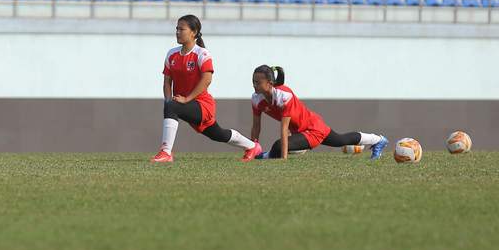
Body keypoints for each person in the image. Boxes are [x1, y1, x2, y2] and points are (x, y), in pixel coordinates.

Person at [152, 14, 262, 163]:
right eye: (176, 28)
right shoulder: (172, 54)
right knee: (218, 134)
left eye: (181, 29)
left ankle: (166, 152)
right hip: (184, 103)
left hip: (202, 105)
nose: (177, 32)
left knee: (172, 107)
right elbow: (167, 81)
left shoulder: (202, 54)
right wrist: (168, 100)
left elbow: (207, 79)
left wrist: (185, 99)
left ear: (194, 32)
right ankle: (252, 147)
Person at [249, 65, 387, 160]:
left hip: (312, 129)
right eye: (253, 81)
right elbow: (256, 126)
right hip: (301, 129)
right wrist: (251, 148)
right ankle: (379, 140)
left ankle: (378, 140)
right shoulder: (256, 99)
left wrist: (283, 159)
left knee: (279, 146)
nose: (254, 85)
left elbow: (284, 128)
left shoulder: (284, 95)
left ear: (270, 83)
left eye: (258, 82)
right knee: (340, 140)